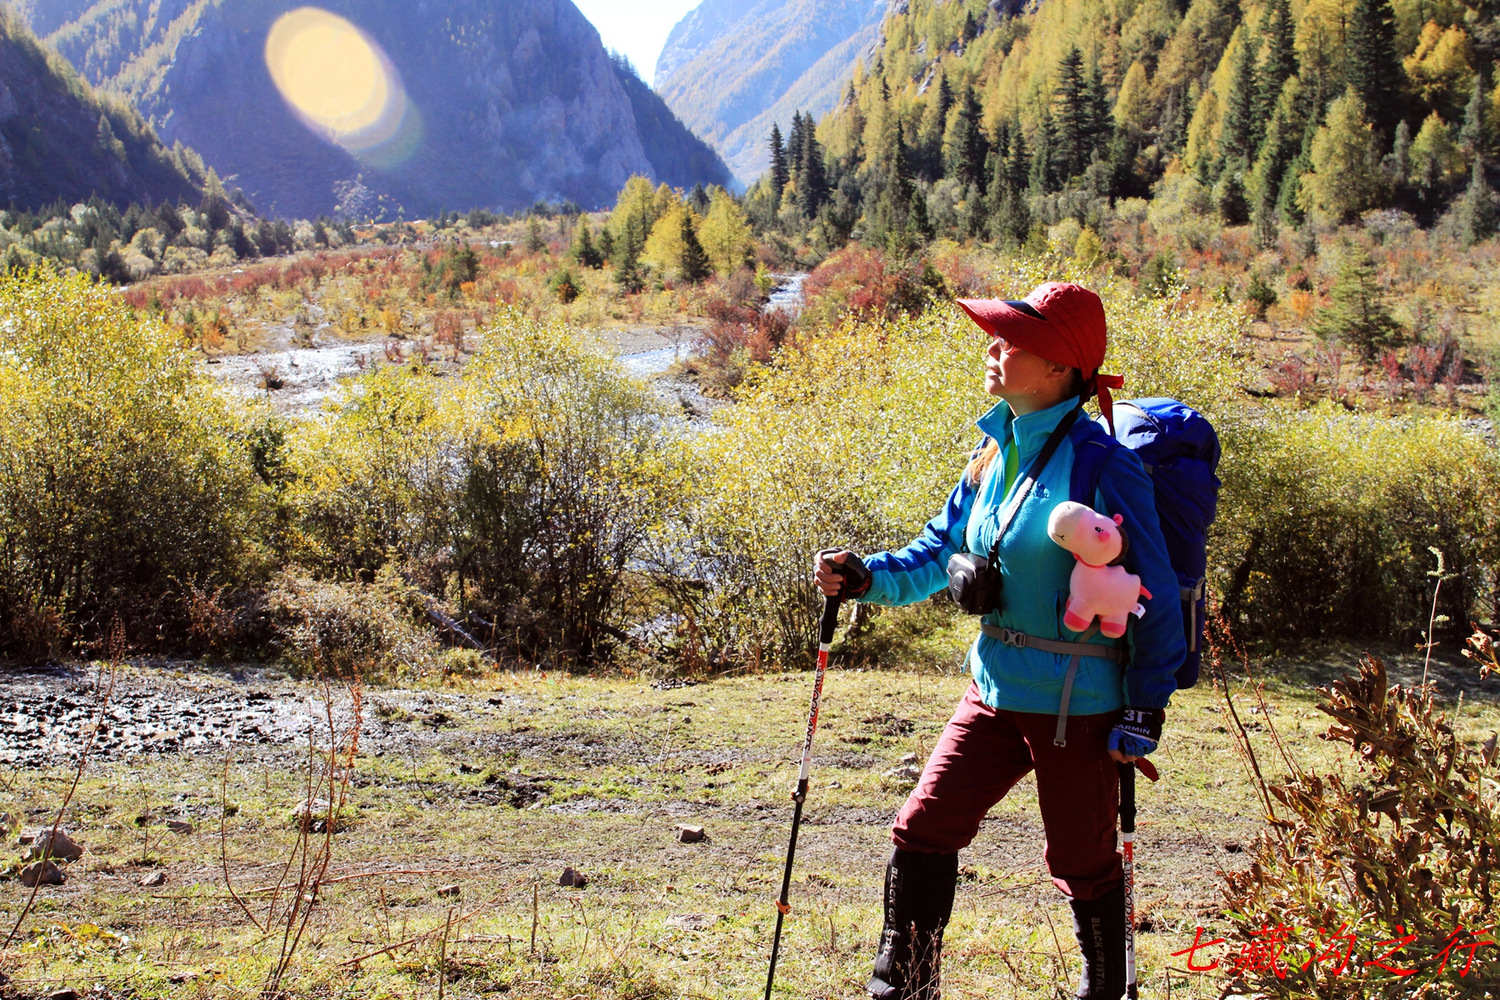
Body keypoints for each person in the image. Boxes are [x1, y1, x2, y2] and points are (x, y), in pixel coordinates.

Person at [814, 282, 1185, 1000]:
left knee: (1082, 861)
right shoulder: (993, 448)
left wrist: (1146, 704)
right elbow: (938, 551)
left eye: (1011, 340)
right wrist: (866, 577)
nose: (993, 347)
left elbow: (1157, 593)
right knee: (923, 829)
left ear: (1059, 367)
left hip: (1078, 706)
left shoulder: (1103, 464)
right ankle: (904, 990)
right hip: (992, 691)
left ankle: (1105, 990)